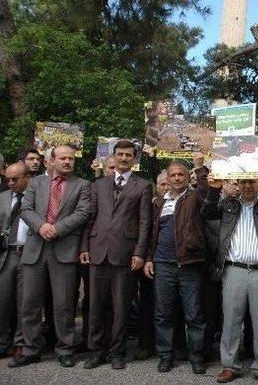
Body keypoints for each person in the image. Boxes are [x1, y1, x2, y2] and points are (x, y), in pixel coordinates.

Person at [202, 174, 258, 385]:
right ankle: (230, 365)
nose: (248, 185)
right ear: (237, 184)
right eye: (243, 182)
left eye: (253, 181)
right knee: (231, 320)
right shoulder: (227, 205)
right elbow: (207, 212)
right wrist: (213, 189)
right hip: (233, 270)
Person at [11, 145, 91, 368]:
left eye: (71, 159)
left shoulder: (83, 185)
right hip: (35, 249)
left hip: (64, 250)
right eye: (63, 158)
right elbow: (26, 210)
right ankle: (30, 349)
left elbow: (83, 212)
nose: (68, 162)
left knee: (64, 304)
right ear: (51, 161)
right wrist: (41, 227)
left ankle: (65, 349)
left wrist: (57, 228)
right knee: (29, 303)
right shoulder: (36, 183)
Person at [80, 140, 152, 370]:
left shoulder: (142, 186)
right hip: (98, 251)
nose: (123, 158)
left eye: (128, 155)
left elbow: (145, 223)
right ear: (113, 156)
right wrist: (84, 247)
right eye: (119, 154)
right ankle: (96, 351)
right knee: (95, 305)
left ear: (134, 159)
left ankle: (117, 352)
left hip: (125, 253)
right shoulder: (99, 184)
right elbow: (90, 218)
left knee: (121, 306)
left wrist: (140, 253)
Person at [143, 161, 207, 375]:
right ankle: (165, 356)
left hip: (189, 265)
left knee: (194, 315)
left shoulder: (195, 198)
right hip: (163, 265)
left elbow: (206, 190)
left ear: (187, 177)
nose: (177, 178)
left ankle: (196, 358)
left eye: (181, 174)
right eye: (173, 175)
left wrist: (200, 169)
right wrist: (149, 258)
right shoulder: (159, 203)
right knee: (163, 314)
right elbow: (152, 233)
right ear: (167, 179)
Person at [0, 164, 31, 359]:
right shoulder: (2, 197)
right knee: (3, 300)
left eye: (15, 179)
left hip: (29, 253)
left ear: (27, 177)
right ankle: (3, 341)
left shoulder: (36, 196)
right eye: (8, 180)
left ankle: (21, 343)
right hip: (6, 254)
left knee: (25, 302)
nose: (11, 183)